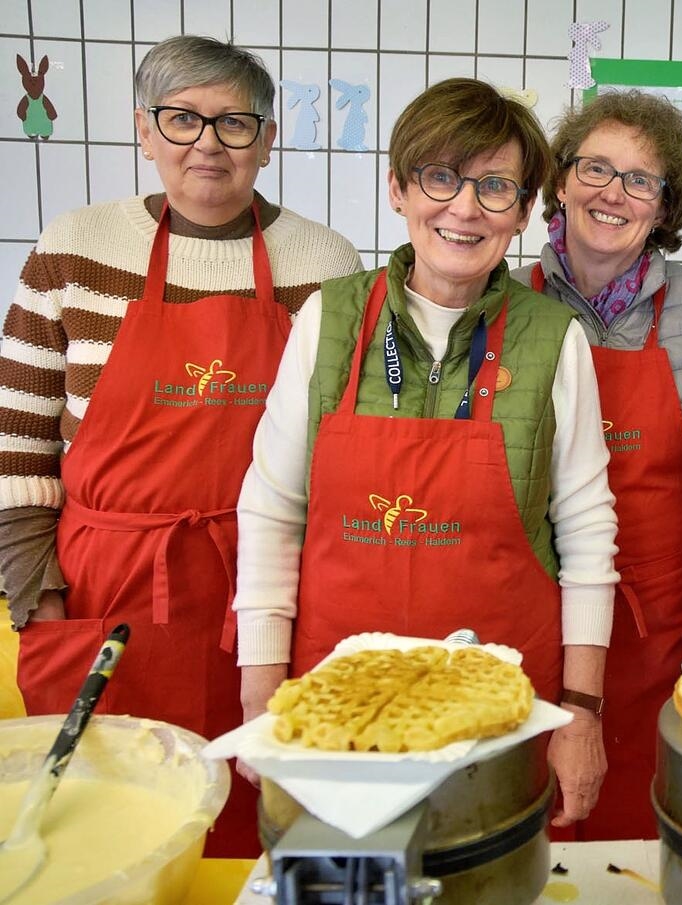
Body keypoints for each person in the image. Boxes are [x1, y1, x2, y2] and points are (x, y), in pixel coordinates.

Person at [0, 35, 361, 857]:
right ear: (143, 130)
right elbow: (16, 444)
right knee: (107, 829)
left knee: (260, 825)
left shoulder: (327, 263)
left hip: (267, 592)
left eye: (235, 123)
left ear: (268, 139)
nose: (208, 143)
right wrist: (41, 605)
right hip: (104, 592)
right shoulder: (74, 249)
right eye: (183, 119)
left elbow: (343, 447)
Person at [232, 78, 619, 829]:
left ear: (525, 211)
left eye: (496, 186)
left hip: (501, 709)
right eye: (441, 177)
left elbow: (588, 534)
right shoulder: (329, 318)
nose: (465, 207)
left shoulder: (554, 338)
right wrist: (260, 691)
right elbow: (272, 509)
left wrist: (580, 708)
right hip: (336, 702)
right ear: (398, 190)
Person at [511, 90, 682, 840]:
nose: (614, 192)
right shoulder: (508, 302)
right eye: (596, 168)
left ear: (666, 207)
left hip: (662, 625)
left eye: (641, 180)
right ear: (559, 183)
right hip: (543, 619)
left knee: (644, 834)